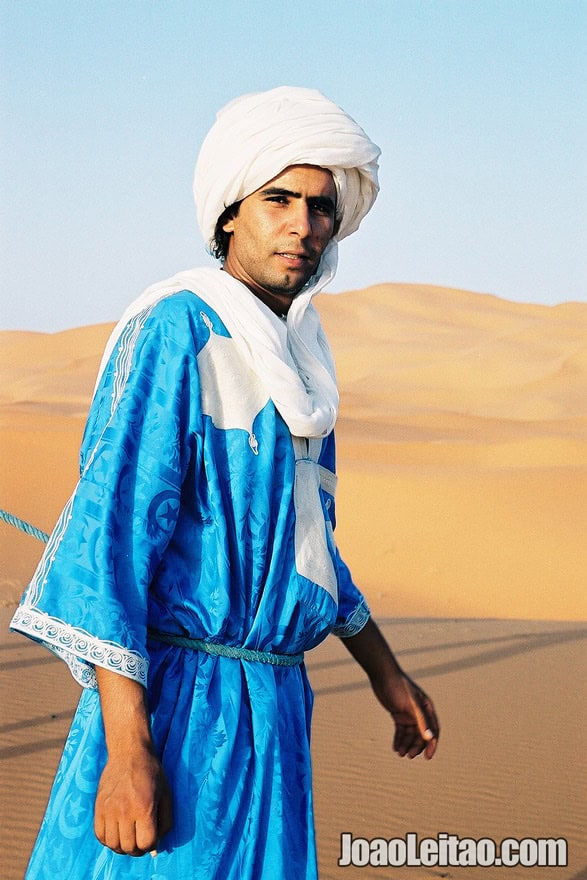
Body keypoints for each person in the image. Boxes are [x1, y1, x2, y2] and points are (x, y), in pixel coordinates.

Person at [10, 86, 439, 880]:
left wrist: (384, 670)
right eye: (277, 198)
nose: (301, 225)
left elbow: (305, 546)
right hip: (178, 703)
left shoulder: (301, 363)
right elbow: (111, 541)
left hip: (274, 710)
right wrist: (129, 750)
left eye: (320, 207)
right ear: (229, 213)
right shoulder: (179, 329)